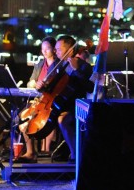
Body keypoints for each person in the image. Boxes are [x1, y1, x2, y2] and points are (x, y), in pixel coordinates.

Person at [16, 34, 92, 163]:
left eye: (58, 49)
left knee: (63, 119)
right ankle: (30, 153)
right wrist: (41, 87)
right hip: (57, 103)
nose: (55, 51)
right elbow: (49, 87)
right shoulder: (57, 66)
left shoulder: (83, 66)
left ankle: (75, 155)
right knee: (25, 117)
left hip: (75, 105)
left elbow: (90, 87)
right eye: (55, 49)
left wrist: (76, 70)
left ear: (70, 50)